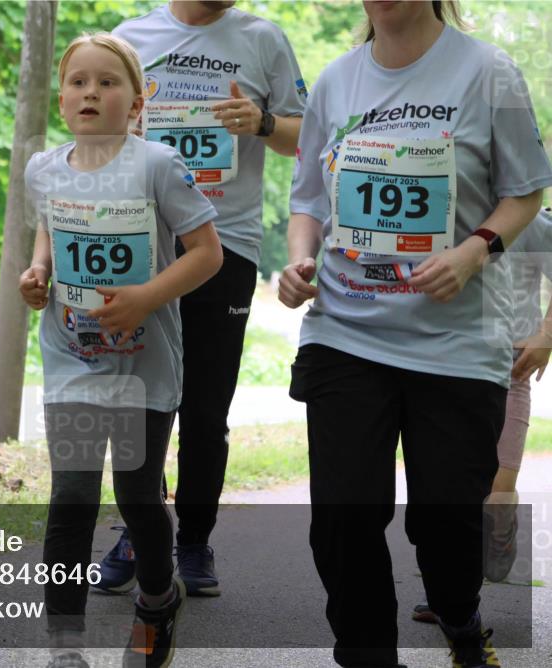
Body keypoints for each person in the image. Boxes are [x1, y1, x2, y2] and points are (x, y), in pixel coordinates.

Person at [281, 0, 551, 666]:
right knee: (342, 521)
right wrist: (299, 259)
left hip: (456, 345)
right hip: (346, 330)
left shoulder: (493, 72)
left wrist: (473, 251)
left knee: (448, 527)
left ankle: (460, 617)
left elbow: (528, 192)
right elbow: (309, 200)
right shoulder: (335, 81)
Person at [19, 32, 222, 668]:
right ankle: (64, 648)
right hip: (72, 361)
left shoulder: (157, 165)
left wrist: (143, 298)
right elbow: (50, 229)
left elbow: (208, 255)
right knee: (73, 496)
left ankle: (159, 598)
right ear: (61, 99)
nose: (92, 92)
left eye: (109, 82)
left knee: (137, 498)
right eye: (79, 81)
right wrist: (37, 273)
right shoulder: (44, 169)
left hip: (144, 364)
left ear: (137, 101)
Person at [100, 0, 306, 596]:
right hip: (140, 241)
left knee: (206, 405)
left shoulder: (264, 39)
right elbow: (96, 131)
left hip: (225, 242)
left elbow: (307, 139)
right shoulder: (130, 35)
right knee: (139, 400)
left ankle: (193, 539)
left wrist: (262, 123)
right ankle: (141, 531)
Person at [412, 206, 552, 625]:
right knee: (447, 486)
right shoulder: (439, 206)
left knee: (494, 488)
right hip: (442, 360)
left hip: (509, 367)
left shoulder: (529, 218)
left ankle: (502, 517)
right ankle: (451, 596)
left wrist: (546, 334)